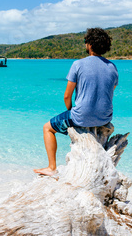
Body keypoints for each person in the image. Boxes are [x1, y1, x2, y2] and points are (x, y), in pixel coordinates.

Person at [34, 28, 118, 176]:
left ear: (90, 44)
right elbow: (110, 90)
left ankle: (51, 167)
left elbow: (67, 96)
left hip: (82, 117)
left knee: (47, 128)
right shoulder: (112, 67)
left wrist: (71, 110)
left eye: (86, 42)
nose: (85, 44)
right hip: (105, 118)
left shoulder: (78, 64)